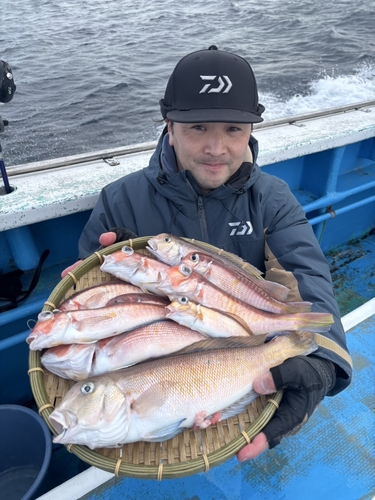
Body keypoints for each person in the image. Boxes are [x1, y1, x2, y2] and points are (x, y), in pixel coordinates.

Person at [62, 45, 352, 461]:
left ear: (251, 129)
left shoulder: (273, 199)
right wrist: (116, 266)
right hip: (157, 376)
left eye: (234, 130)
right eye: (198, 127)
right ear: (169, 124)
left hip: (240, 362)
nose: (217, 147)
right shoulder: (119, 200)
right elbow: (96, 310)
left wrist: (324, 361)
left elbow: (308, 276)